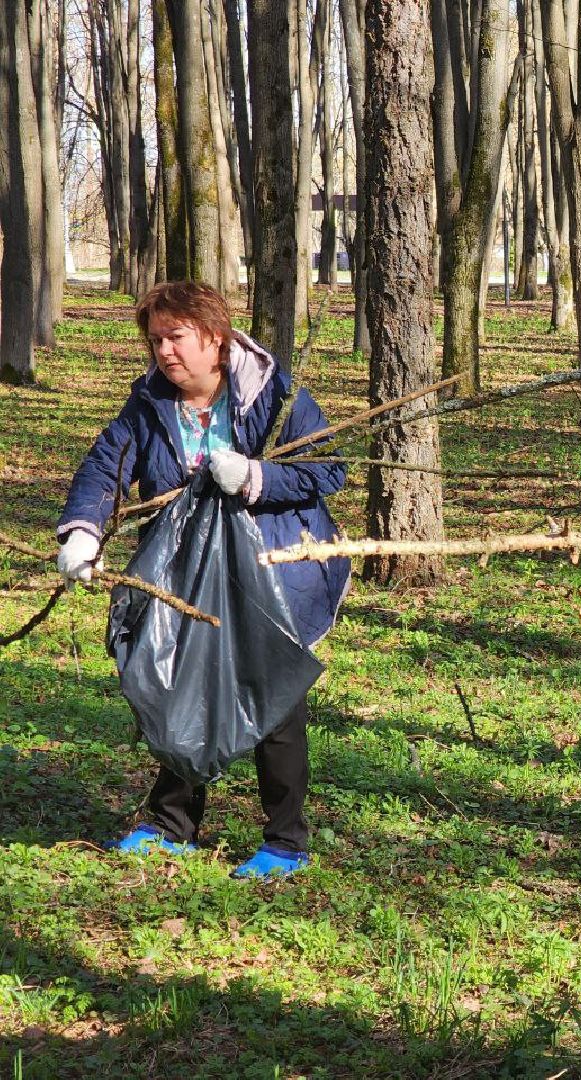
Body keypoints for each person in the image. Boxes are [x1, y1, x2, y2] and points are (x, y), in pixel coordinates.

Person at [55, 281, 349, 879]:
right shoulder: (149, 403)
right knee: (179, 684)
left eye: (176, 337)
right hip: (186, 573)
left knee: (275, 701)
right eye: (156, 339)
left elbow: (326, 470)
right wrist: (83, 529)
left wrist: (255, 476)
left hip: (274, 569)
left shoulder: (273, 395)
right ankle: (172, 824)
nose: (164, 351)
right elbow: (104, 466)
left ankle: (286, 842)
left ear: (215, 339)